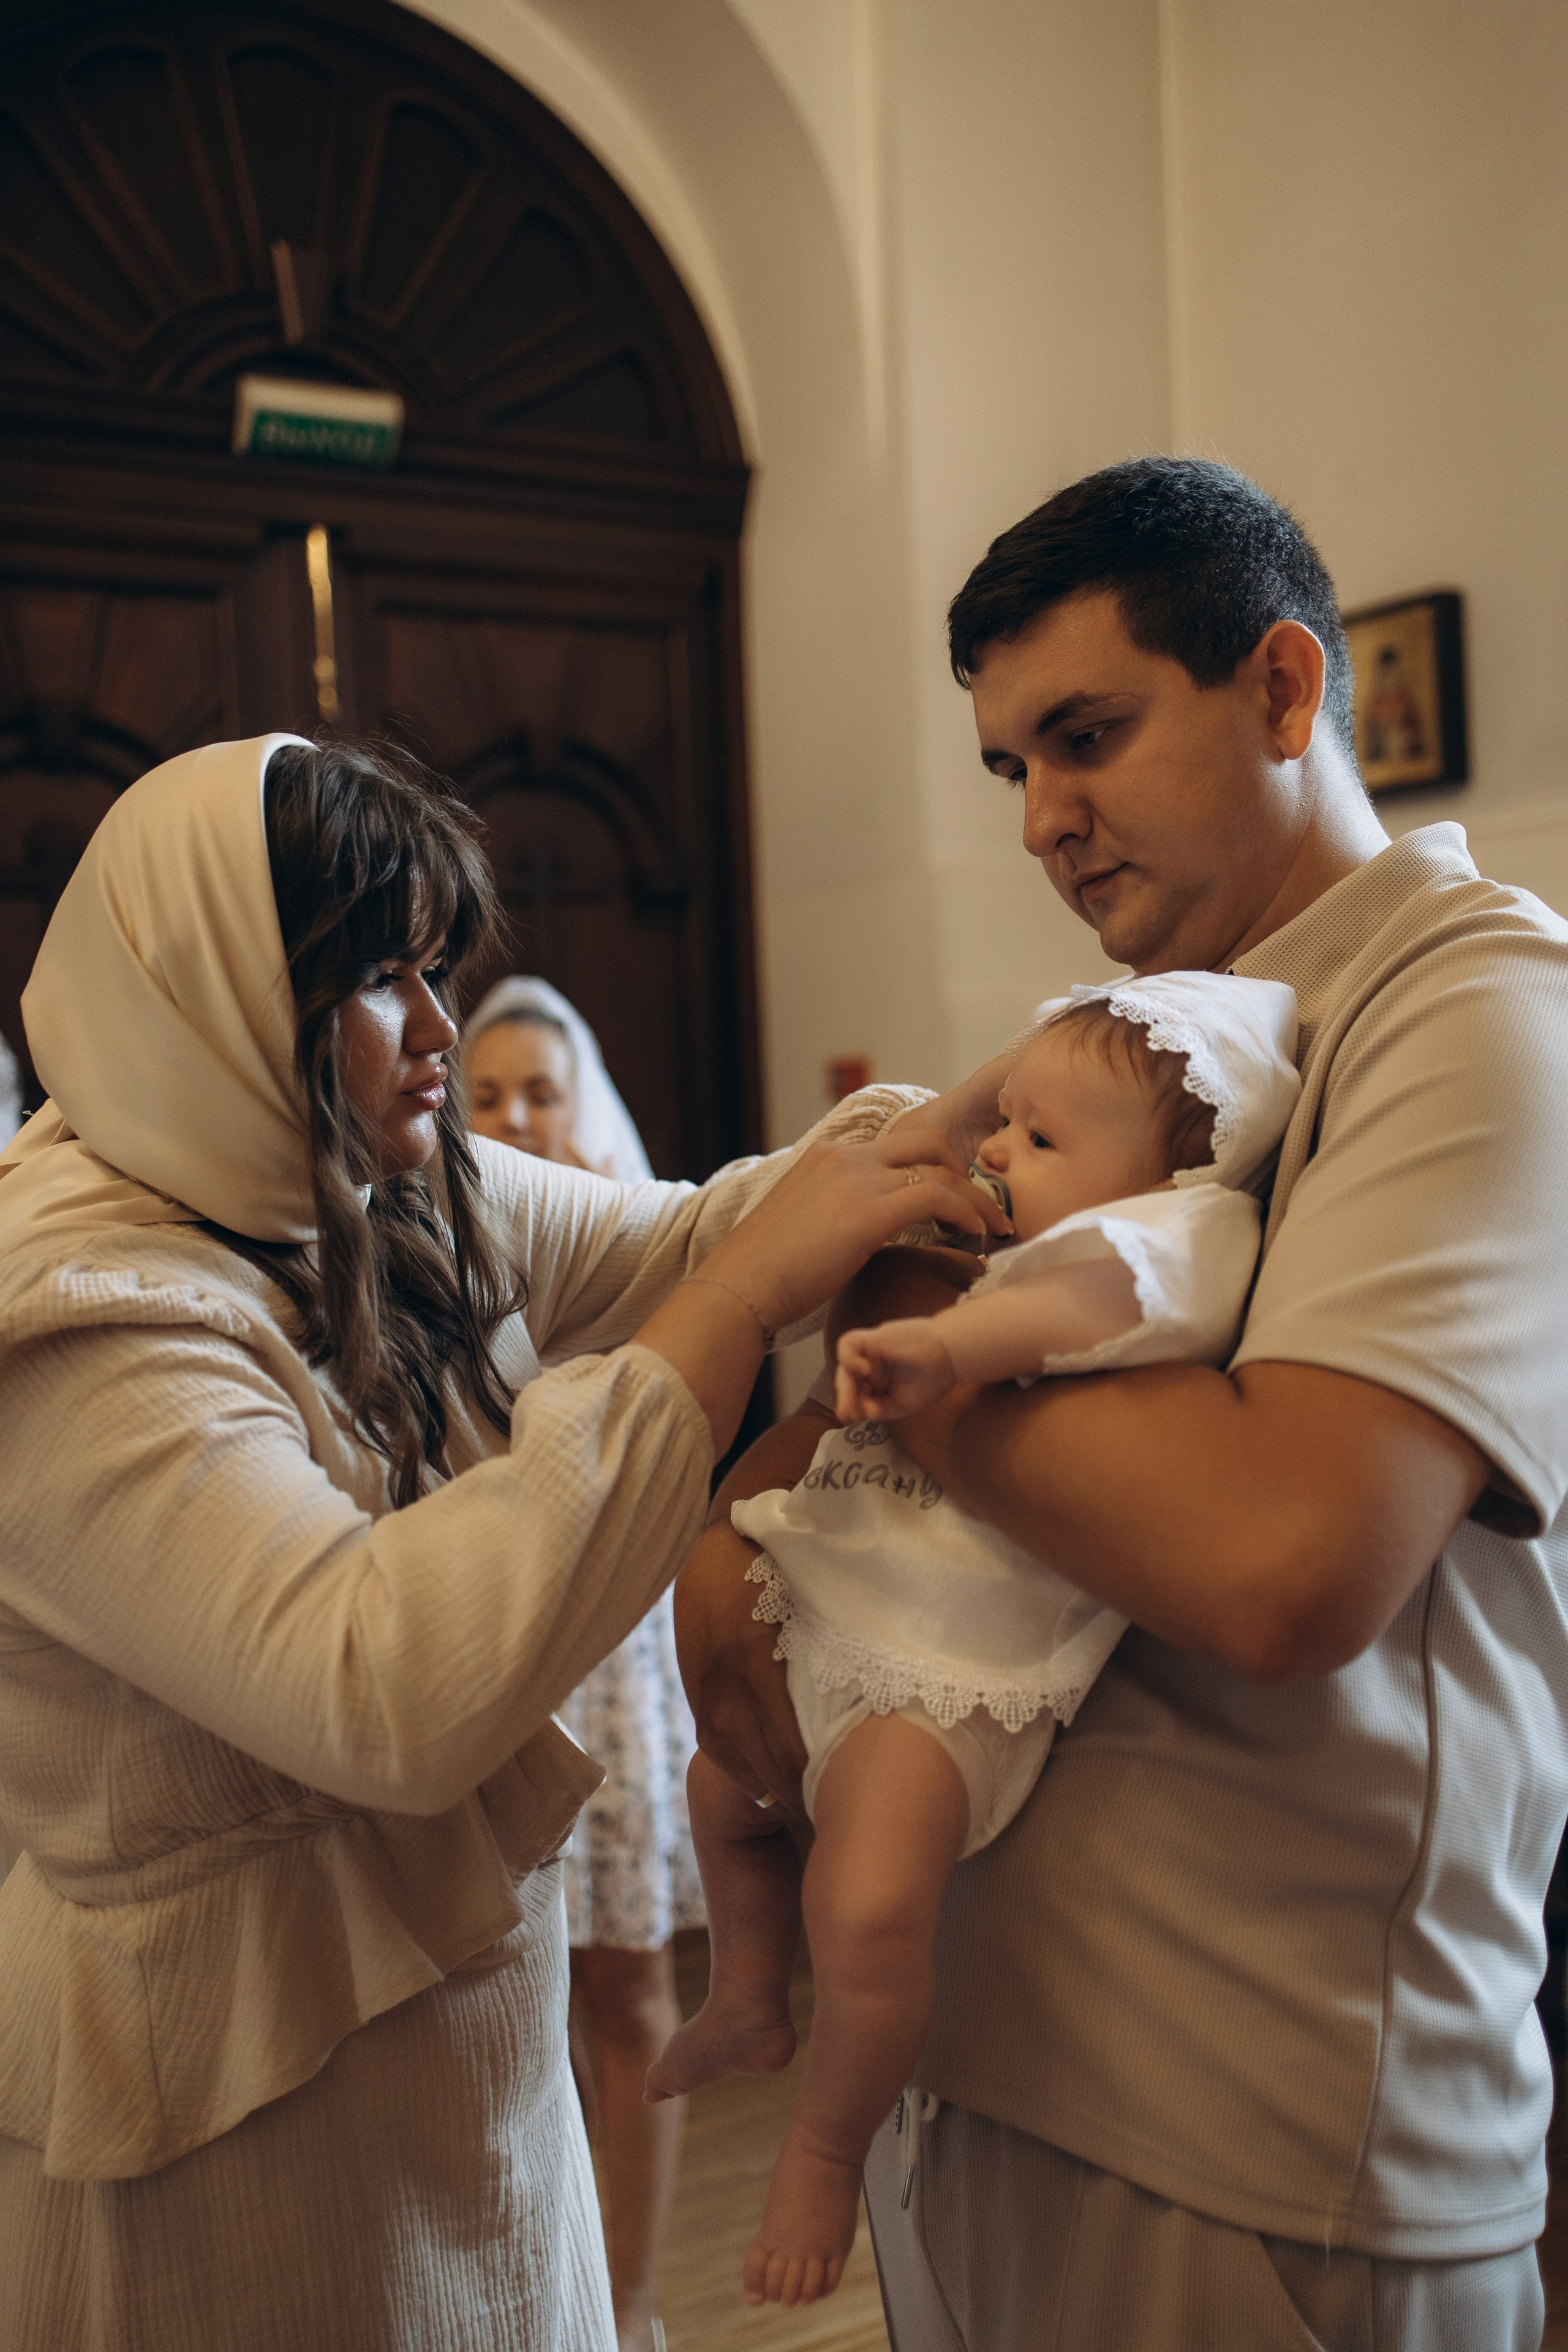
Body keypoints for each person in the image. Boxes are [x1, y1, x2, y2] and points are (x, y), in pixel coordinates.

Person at [676, 458, 1568, 2350]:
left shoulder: (1473, 1005)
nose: (1041, 823)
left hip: (1261, 2117)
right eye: (1013, 766)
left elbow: (1279, 1560)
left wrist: (912, 1315)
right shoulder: (1156, 1037)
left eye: (1086, 737)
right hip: (992, 2056)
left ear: (1283, 688)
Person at [0, 733, 1007, 2352]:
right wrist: (734, 1307)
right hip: (231, 2104)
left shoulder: (368, 1180)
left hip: (463, 2059)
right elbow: (378, 1686)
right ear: (215, 996)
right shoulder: (79, 1319)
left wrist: (995, 1116)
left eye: (433, 968)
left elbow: (691, 1232)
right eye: (375, 978)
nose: (436, 1029)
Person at [647, 974, 1300, 2309]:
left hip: (948, 1684)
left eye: (1038, 1137)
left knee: (869, 1905)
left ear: (1168, 1172)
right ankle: (749, 1996)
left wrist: (944, 1348)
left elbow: (1071, 1313)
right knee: (722, 1794)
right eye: (1008, 1121)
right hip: (853, 1616)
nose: (998, 1149)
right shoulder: (1052, 1229)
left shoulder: (1177, 1236)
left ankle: (820, 2155)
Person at [464, 975, 703, 2352]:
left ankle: (635, 2302)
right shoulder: (431, 1251)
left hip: (610, 1653)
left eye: (538, 1093)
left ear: (581, 1103)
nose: (513, 1117)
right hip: (490, 1637)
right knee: (506, 1988)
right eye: (487, 1094)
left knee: (624, 1981)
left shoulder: (627, 1248)